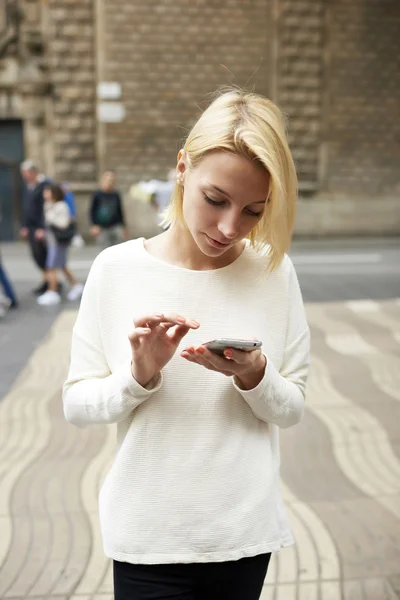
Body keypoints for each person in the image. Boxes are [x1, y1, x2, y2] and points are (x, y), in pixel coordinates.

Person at [63, 89, 310, 600]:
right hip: (149, 537)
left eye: (253, 211)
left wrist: (255, 373)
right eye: (216, 200)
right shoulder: (116, 269)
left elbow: (291, 410)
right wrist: (138, 376)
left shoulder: (273, 271)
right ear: (182, 169)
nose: (229, 228)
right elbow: (76, 405)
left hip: (242, 536)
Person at [37, 183, 83, 306]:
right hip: (52, 241)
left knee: (51, 267)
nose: (44, 194)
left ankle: (53, 292)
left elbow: (63, 223)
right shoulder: (49, 205)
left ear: (53, 193)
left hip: (58, 242)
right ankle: (77, 285)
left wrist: (50, 217)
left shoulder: (61, 206)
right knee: (62, 265)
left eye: (47, 191)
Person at [20, 160, 49, 295]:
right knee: (37, 256)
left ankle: (50, 282)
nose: (24, 176)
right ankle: (47, 280)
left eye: (25, 173)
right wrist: (24, 225)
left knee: (43, 255)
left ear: (32, 172)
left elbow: (45, 208)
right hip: (31, 228)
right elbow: (27, 208)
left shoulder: (44, 185)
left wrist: (42, 228)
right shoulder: (29, 186)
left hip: (39, 229)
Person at [89, 170, 127, 247]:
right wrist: (94, 225)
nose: (110, 182)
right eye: (108, 180)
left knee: (118, 248)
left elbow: (120, 211)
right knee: (104, 250)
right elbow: (92, 211)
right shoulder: (97, 195)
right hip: (102, 227)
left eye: (112, 180)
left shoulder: (116, 194)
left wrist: (123, 227)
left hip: (115, 226)